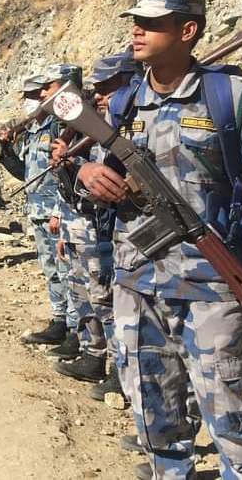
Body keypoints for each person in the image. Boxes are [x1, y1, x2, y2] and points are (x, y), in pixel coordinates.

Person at [77, 0, 242, 480]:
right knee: (153, 416)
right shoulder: (121, 105)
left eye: (152, 22)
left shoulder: (233, 98)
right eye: (134, 20)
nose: (136, 30)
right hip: (137, 284)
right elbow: (95, 173)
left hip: (214, 286)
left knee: (233, 421)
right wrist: (86, 176)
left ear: (187, 30)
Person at [50, 52, 138, 395]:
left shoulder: (124, 128)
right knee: (92, 297)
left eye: (108, 88)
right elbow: (81, 184)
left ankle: (121, 370)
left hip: (108, 231)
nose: (100, 95)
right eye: (96, 89)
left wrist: (76, 167)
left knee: (111, 303)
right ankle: (95, 354)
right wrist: (70, 167)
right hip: (91, 228)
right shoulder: (94, 129)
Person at [0, 66, 81, 348]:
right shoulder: (33, 130)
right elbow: (25, 173)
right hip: (37, 210)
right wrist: (5, 151)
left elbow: (66, 174)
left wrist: (60, 209)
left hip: (58, 212)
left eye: (37, 94)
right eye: (31, 95)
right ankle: (59, 319)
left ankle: (75, 329)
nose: (34, 99)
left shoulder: (63, 126)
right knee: (50, 269)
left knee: (69, 272)